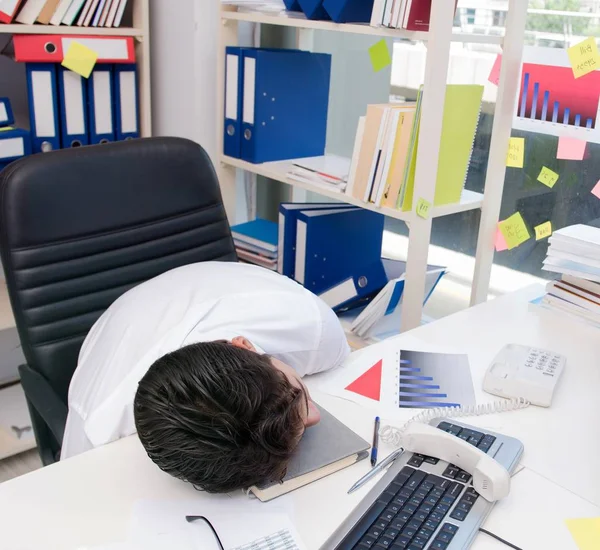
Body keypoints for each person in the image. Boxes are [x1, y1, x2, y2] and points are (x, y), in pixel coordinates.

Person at [61, 261, 350, 493]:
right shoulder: (100, 425)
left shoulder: (314, 327)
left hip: (234, 284)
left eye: (297, 395)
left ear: (243, 344)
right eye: (298, 397)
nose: (314, 417)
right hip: (125, 317)